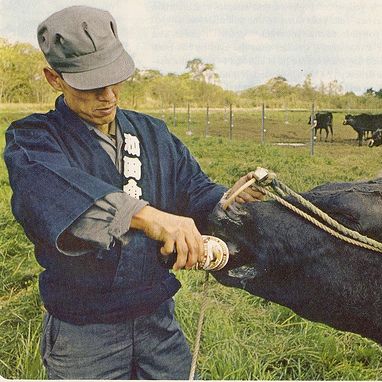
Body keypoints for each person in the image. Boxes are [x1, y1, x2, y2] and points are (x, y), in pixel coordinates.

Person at [3, 5, 263, 380]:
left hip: (158, 321)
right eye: (90, 85)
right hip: (84, 332)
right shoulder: (34, 139)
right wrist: (151, 217)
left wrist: (229, 200)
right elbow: (51, 195)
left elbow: (195, 190)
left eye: (115, 81)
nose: (108, 96)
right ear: (53, 78)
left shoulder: (152, 132)